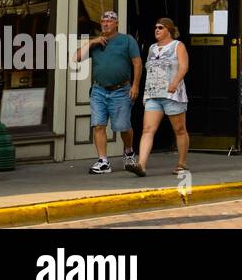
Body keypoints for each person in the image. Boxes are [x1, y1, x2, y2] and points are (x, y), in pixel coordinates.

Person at [75, 10, 141, 174]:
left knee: (123, 126)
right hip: (99, 90)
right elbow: (75, 58)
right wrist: (91, 42)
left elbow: (137, 63)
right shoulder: (96, 42)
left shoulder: (126, 40)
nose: (106, 24)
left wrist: (135, 86)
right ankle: (103, 161)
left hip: (121, 89)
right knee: (98, 125)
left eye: (109, 21)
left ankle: (129, 152)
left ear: (116, 23)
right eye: (103, 21)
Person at [126, 18, 189, 177]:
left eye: (160, 27)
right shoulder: (152, 48)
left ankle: (181, 163)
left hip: (172, 94)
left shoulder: (177, 46)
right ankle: (141, 164)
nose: (157, 30)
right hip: (153, 94)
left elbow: (184, 66)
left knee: (179, 129)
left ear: (169, 29)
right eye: (155, 27)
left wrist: (175, 82)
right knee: (147, 129)